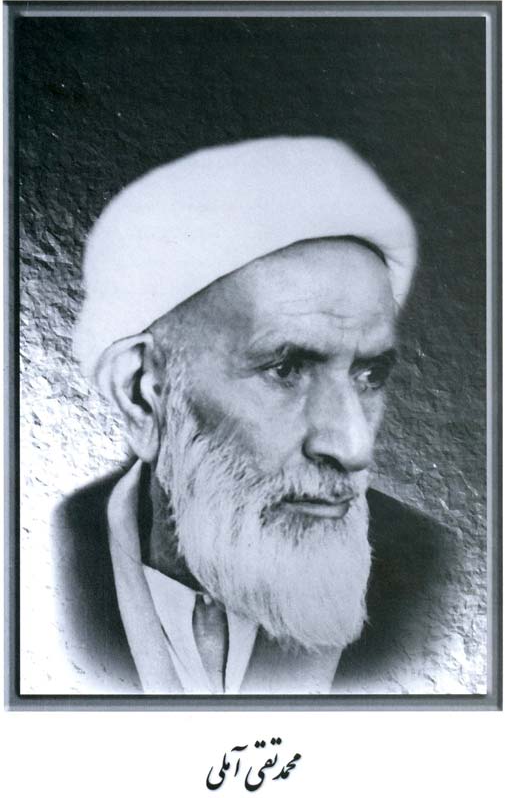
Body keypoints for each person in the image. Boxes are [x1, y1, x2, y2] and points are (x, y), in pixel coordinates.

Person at [54, 137, 459, 695]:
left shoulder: (434, 581)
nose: (354, 446)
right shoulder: (38, 570)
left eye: (368, 375)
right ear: (144, 395)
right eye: (286, 369)